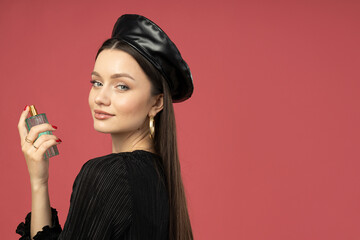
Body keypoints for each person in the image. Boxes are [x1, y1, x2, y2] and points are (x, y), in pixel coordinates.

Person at [16, 14, 194, 240]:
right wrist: (39, 181)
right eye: (97, 83)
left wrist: (38, 183)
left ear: (157, 102)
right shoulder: (161, 176)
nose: (101, 97)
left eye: (121, 86)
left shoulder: (108, 174)